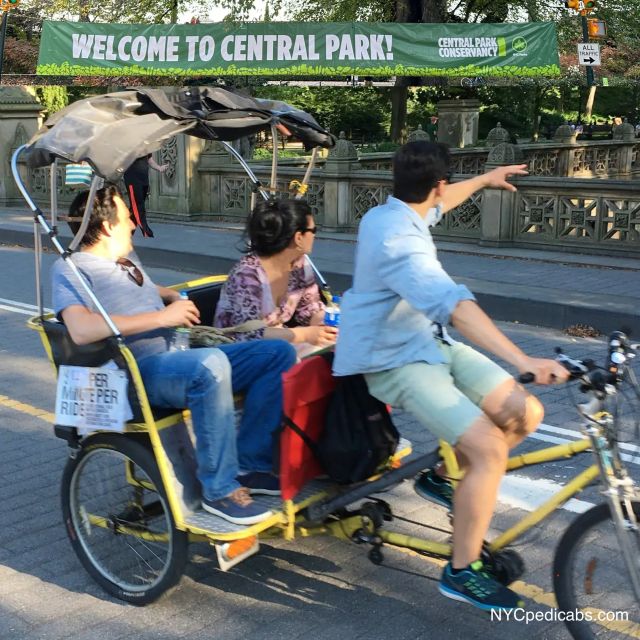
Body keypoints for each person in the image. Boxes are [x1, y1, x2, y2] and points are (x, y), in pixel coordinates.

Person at [333, 141, 568, 612]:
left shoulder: (395, 210)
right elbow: (457, 307)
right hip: (392, 360)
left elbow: (443, 201)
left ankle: (442, 477)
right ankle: (460, 572)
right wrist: (523, 360)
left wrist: (483, 180)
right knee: (488, 448)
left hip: (427, 342)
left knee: (526, 413)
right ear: (435, 185)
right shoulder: (396, 240)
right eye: (445, 185)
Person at [52, 185, 297, 526]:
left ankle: (252, 464)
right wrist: (161, 318)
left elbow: (139, 288)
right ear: (108, 226)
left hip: (176, 358)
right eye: (128, 218)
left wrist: (171, 296)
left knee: (277, 352)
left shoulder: (125, 260)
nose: (135, 224)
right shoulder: (71, 269)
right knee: (209, 367)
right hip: (135, 372)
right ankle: (219, 491)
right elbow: (80, 329)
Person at [214, 198, 337, 355]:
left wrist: (324, 324)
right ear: (299, 237)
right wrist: (305, 334)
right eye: (313, 231)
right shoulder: (247, 275)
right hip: (237, 354)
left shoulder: (300, 264)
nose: (314, 236)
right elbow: (247, 335)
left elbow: (309, 308)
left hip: (278, 346)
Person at [123, 154, 168, 238]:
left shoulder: (146, 146)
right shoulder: (130, 145)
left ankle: (126, 232)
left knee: (135, 208)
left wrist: (159, 168)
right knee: (138, 206)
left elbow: (149, 159)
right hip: (132, 179)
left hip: (144, 179)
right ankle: (146, 232)